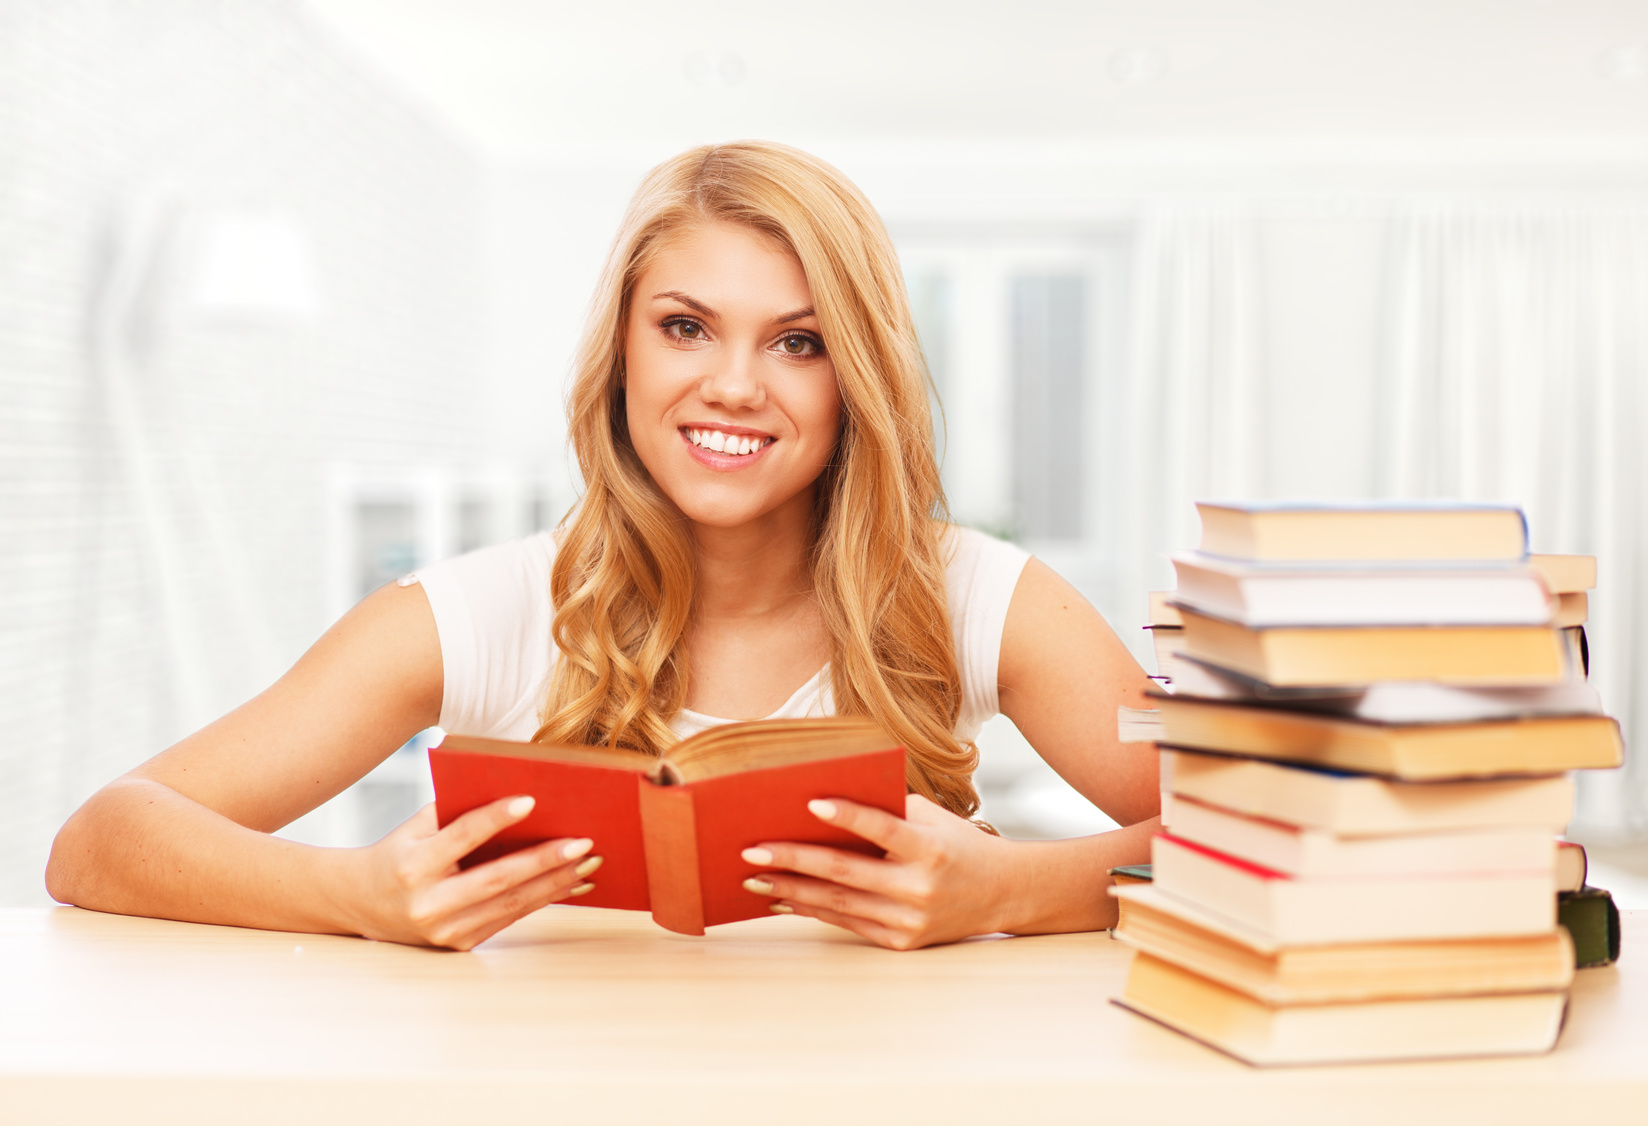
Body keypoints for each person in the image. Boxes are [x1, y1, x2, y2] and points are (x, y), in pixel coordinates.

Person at [47, 141, 1159, 951]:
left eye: (797, 341)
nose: (732, 383)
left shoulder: (980, 596)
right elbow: (103, 838)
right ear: (622, 351)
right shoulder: (475, 614)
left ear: (854, 378)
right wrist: (361, 895)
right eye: (685, 326)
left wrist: (1014, 889)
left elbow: (1270, 842)